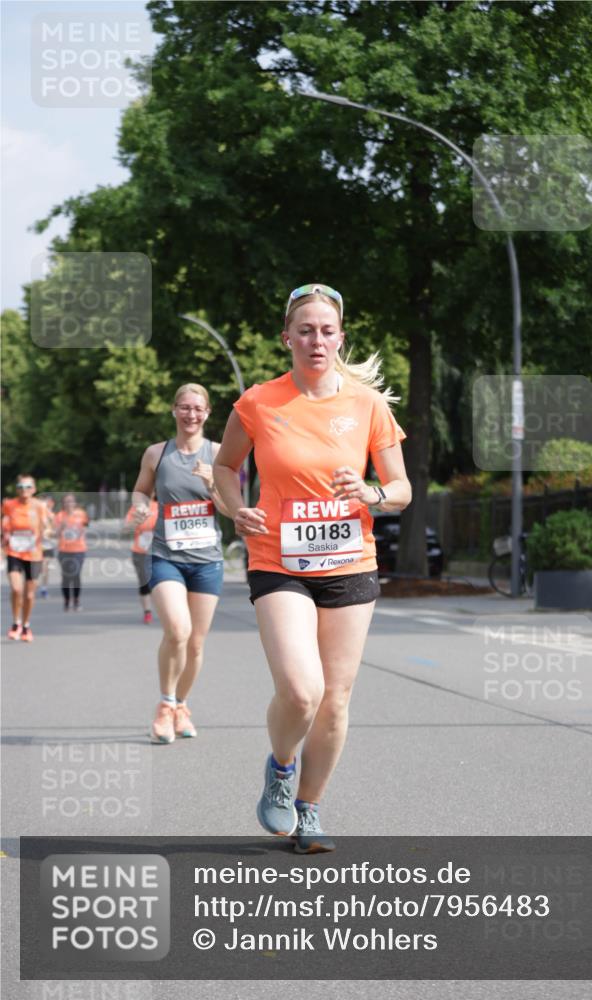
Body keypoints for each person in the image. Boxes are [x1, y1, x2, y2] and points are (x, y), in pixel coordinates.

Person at [214, 283, 411, 853]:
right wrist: (236, 508)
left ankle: (311, 810)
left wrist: (370, 493)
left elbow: (400, 488)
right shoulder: (258, 402)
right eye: (305, 330)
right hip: (279, 559)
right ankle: (280, 769)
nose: (316, 339)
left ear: (341, 337)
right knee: (302, 690)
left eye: (327, 330)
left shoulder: (367, 405)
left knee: (335, 698)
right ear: (287, 339)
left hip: (350, 560)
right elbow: (226, 467)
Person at [131, 384, 228, 744]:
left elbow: (233, 509)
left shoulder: (219, 453)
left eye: (198, 409)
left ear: (207, 413)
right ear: (174, 410)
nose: (191, 415)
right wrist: (141, 504)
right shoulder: (157, 454)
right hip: (166, 555)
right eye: (185, 408)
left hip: (206, 560)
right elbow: (142, 489)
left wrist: (213, 484)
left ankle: (182, 705)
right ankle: (165, 705)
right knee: (177, 630)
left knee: (196, 645)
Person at [2, 475, 50, 642]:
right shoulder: (9, 505)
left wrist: (46, 532)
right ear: (17, 489)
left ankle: (26, 626)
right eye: (21, 486)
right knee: (16, 589)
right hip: (14, 552)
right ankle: (16, 623)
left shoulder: (39, 506)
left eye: (28, 486)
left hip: (34, 554)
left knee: (29, 595)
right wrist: (5, 534)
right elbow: (4, 523)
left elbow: (47, 526)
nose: (24, 490)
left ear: (34, 489)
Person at [124, 498, 158, 624]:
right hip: (140, 551)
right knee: (144, 582)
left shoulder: (159, 506)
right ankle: (147, 612)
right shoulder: (135, 508)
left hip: (158, 551)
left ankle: (162, 610)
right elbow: (127, 527)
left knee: (159, 581)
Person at [54, 493, 89, 611]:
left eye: (71, 501)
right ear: (63, 504)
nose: (69, 504)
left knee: (76, 574)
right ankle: (67, 600)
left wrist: (80, 531)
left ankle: (76, 600)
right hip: (64, 550)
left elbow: (85, 527)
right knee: (66, 577)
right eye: (66, 501)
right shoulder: (59, 516)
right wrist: (62, 527)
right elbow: (56, 534)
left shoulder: (81, 514)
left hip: (79, 549)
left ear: (75, 503)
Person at [38, 495, 56, 597]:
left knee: (45, 568)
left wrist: (50, 532)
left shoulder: (52, 515)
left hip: (47, 545)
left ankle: (44, 588)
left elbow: (55, 530)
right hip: (35, 545)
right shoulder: (35, 515)